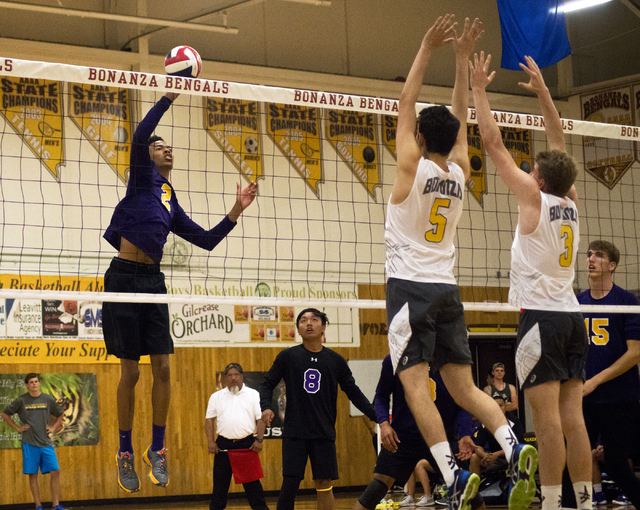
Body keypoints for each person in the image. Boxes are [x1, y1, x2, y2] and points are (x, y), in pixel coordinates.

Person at [384, 15, 537, 510]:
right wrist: (459, 63)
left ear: (420, 140)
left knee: (414, 388)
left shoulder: (411, 164)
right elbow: (455, 118)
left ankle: (449, 473)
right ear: (450, 141)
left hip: (410, 288)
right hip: (448, 290)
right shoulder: (460, 168)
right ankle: (514, 447)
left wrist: (426, 48)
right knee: (465, 387)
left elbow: (406, 103)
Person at [102, 91, 257, 493]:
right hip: (123, 277)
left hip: (153, 280)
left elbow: (204, 240)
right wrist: (170, 95)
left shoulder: (169, 199)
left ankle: (157, 448)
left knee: (164, 368)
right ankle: (124, 451)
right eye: (159, 146)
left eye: (168, 146)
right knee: (131, 371)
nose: (165, 148)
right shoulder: (141, 178)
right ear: (147, 156)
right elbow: (139, 136)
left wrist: (236, 211)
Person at [470, 53, 592, 510]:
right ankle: (585, 501)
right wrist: (543, 94)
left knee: (547, 425)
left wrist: (479, 89)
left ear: (538, 178)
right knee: (574, 421)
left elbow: (492, 142)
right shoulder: (572, 201)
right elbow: (559, 144)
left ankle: (553, 501)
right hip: (572, 318)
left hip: (540, 320)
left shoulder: (534, 198)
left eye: (534, 170)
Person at [259, 308, 377, 510]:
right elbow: (267, 384)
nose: (309, 323)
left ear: (323, 327)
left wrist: (378, 415)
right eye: (303, 320)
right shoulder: (288, 356)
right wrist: (266, 407)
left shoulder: (335, 360)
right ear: (298, 328)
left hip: (323, 432)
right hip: (295, 432)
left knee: (324, 484)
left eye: (314, 319)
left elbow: (353, 391)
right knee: (290, 483)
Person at [354, 355, 484, 510]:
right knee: (377, 487)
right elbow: (381, 396)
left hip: (442, 437)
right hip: (404, 436)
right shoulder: (394, 358)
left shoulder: (450, 358)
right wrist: (384, 424)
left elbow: (463, 400)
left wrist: (464, 434)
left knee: (466, 490)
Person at [577, 240, 640, 508]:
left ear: (612, 265)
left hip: (619, 399)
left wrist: (595, 381)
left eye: (599, 256)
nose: (591, 259)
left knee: (615, 463)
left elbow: (635, 353)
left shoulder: (627, 300)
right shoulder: (577, 301)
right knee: (576, 457)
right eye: (589, 254)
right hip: (582, 399)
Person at [205, 363, 269, 510]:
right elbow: (209, 419)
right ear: (226, 378)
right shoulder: (216, 397)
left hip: (246, 445)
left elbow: (260, 419)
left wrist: (259, 439)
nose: (233, 378)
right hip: (223, 446)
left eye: (236, 375)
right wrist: (210, 442)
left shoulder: (253, 394)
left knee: (254, 489)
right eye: (230, 375)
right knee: (219, 489)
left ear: (241, 376)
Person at [1, 374, 67, 510]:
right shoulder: (21, 400)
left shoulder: (47, 399)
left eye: (36, 381)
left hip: (46, 442)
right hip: (29, 442)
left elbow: (60, 413)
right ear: (27, 385)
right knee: (33, 474)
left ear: (39, 383)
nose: (34, 384)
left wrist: (53, 428)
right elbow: (5, 414)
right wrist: (18, 428)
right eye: (31, 382)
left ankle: (56, 505)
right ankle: (38, 506)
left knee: (55, 472)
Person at [470, 397, 525, 478]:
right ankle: (474, 488)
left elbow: (518, 446)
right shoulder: (486, 422)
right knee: (474, 457)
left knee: (517, 454)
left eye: (501, 405)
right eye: (495, 406)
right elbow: (478, 446)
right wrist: (484, 455)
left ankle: (518, 484)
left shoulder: (514, 421)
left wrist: (497, 454)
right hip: (492, 457)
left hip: (510, 455)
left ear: (505, 407)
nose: (498, 408)